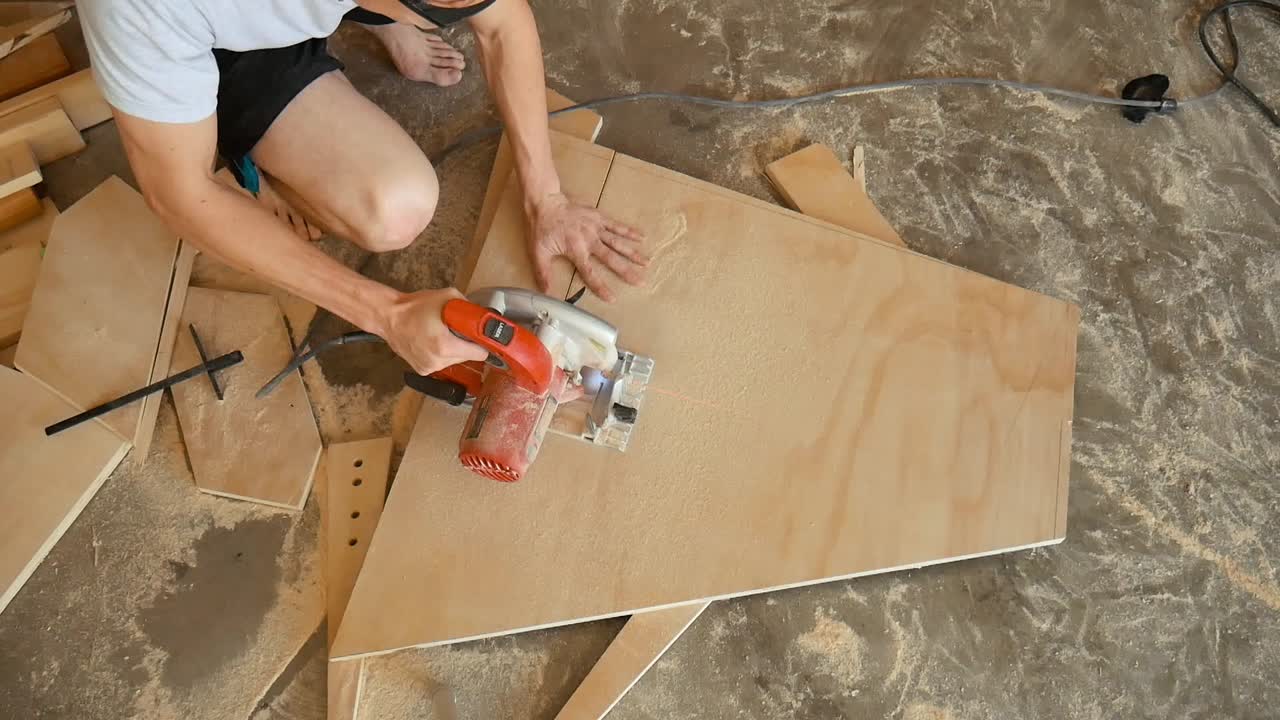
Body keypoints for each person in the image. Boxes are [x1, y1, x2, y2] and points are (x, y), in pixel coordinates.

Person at [76, 0, 649, 375]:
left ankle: (380, 19)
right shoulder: (142, 11)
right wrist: (389, 313)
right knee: (392, 208)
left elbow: (502, 25)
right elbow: (180, 195)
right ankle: (245, 142)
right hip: (216, 43)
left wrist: (545, 198)